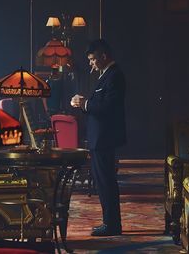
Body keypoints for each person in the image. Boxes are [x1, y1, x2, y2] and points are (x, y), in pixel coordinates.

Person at [70, 39, 127, 237]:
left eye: (93, 59)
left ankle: (112, 225)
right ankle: (110, 223)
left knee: (106, 182)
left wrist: (84, 104)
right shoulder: (106, 75)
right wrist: (84, 103)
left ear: (104, 56)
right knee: (103, 182)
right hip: (99, 138)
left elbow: (108, 108)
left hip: (104, 138)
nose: (91, 63)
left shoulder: (115, 76)